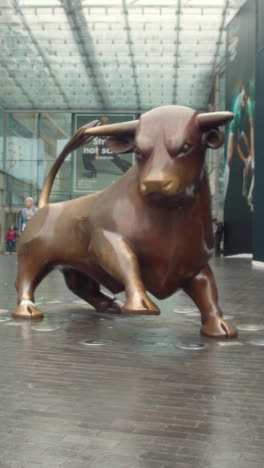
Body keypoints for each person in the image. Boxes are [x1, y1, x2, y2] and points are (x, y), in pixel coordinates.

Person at [224, 80, 255, 207]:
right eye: (244, 97)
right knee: (230, 159)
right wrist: (244, 159)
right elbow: (235, 135)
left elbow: (252, 126)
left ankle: (248, 195)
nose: (245, 99)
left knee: (250, 165)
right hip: (235, 131)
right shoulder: (238, 106)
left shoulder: (248, 104)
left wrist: (251, 153)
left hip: (242, 132)